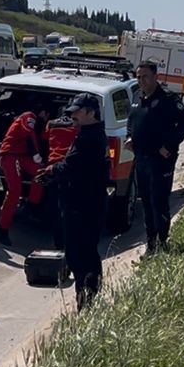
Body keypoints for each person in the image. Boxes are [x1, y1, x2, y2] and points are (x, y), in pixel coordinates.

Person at [37, 93, 108, 312]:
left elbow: (72, 166)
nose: (72, 115)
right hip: (82, 203)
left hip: (84, 206)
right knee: (82, 253)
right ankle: (86, 299)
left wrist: (52, 170)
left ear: (90, 112)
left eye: (77, 111)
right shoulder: (86, 134)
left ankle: (87, 303)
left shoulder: (90, 138)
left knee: (81, 255)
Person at [128, 61, 184, 255]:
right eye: (138, 77)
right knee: (146, 202)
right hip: (141, 159)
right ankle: (151, 244)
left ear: (156, 76)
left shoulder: (168, 100)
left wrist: (170, 146)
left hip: (161, 160)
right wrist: (130, 137)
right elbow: (132, 122)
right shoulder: (137, 99)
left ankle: (163, 242)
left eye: (145, 76)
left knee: (159, 201)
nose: (141, 81)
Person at [0, 103, 50, 246]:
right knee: (14, 191)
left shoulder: (37, 123)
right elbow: (29, 136)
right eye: (47, 114)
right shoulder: (29, 117)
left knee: (40, 174)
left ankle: (31, 205)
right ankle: (3, 228)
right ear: (42, 112)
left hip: (23, 155)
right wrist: (36, 155)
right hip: (10, 154)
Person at [35, 110, 79, 250]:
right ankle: (67, 241)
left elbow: (43, 138)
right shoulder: (77, 126)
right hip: (68, 168)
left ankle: (58, 242)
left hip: (52, 167)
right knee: (69, 206)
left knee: (55, 206)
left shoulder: (51, 124)